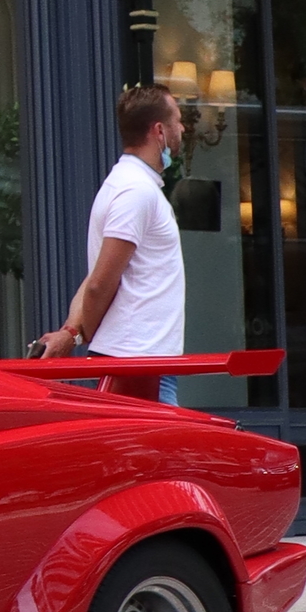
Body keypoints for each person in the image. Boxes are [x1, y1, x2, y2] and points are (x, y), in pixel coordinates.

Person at [34, 85, 187, 403]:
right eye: (178, 121)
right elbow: (99, 283)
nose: (182, 129)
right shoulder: (136, 192)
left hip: (140, 362)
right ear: (159, 131)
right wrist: (80, 334)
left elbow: (96, 277)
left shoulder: (125, 185)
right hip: (139, 363)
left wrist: (71, 333)